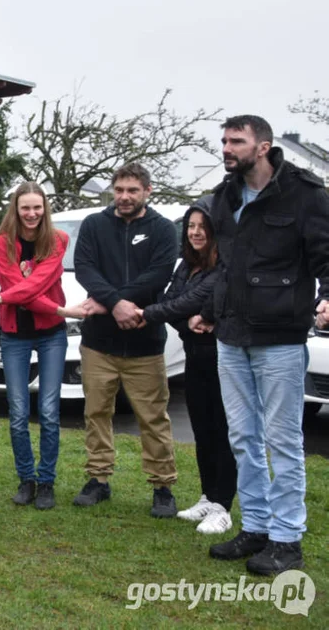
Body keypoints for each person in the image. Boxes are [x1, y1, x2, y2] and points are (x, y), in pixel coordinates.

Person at [194, 115, 329, 575]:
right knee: (243, 437)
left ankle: (287, 540)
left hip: (280, 338)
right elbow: (225, 266)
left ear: (264, 146)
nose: (226, 148)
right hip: (231, 335)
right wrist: (209, 311)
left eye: (236, 141)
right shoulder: (225, 195)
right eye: (224, 140)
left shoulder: (306, 194)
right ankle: (255, 528)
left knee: (283, 441)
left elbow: (326, 257)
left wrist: (328, 297)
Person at [0, 182, 90, 511]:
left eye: (37, 207)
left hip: (51, 334)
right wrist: (60, 308)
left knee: (50, 412)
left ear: (45, 208)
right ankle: (26, 480)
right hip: (14, 335)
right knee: (17, 412)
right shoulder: (1, 243)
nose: (31, 214)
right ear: (15, 209)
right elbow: (18, 287)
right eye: (25, 207)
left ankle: (46, 482)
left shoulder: (57, 240)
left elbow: (34, 284)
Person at [72, 162, 179, 517]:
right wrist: (116, 303)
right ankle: (98, 480)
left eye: (133, 190)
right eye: (119, 190)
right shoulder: (94, 225)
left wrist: (112, 303)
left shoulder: (163, 229)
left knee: (153, 417)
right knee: (97, 412)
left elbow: (158, 275)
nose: (125, 197)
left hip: (144, 341)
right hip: (98, 343)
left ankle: (162, 486)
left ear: (148, 191)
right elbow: (85, 268)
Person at [138, 199, 236, 534]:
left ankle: (224, 505)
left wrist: (162, 314)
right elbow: (172, 304)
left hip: (223, 360)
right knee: (203, 431)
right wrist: (190, 321)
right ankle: (209, 496)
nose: (195, 232)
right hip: (196, 358)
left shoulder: (223, 265)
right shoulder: (186, 266)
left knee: (223, 433)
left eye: (202, 226)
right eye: (191, 226)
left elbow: (190, 302)